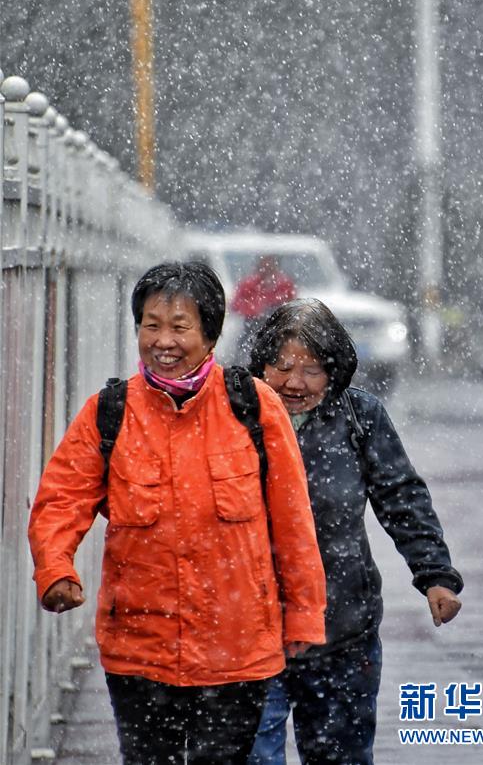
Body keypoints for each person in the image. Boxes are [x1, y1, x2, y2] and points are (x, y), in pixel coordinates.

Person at [28, 263, 326, 765]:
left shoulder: (254, 407)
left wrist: (303, 617)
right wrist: (55, 570)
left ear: (209, 334)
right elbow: (60, 500)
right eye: (151, 325)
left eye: (179, 327)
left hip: (238, 649)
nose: (163, 340)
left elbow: (293, 523)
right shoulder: (110, 411)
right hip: (140, 650)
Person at [247, 298, 463, 765]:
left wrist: (435, 574)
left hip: (342, 629)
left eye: (312, 369)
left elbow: (401, 496)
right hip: (250, 630)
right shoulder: (235, 416)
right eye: (282, 366)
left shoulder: (359, 416)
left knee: (341, 756)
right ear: (261, 363)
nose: (295, 383)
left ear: (336, 371)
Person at [230, 256, 296, 361]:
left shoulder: (284, 285)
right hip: (251, 325)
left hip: (278, 326)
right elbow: (236, 305)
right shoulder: (248, 284)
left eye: (270, 265)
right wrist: (254, 309)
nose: (267, 268)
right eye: (264, 265)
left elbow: (292, 305)